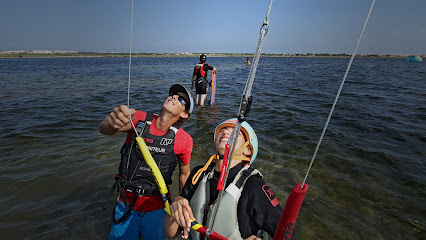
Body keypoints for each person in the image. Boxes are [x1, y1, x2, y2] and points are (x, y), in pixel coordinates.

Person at [100, 84, 194, 240]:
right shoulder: (139, 118)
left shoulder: (184, 140)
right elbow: (105, 130)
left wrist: (184, 206)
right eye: (172, 94)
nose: (173, 97)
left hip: (157, 207)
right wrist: (111, 122)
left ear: (184, 114)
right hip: (125, 203)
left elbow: (184, 174)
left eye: (181, 99)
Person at [163, 119, 284, 240]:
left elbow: (286, 233)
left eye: (235, 132)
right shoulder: (198, 174)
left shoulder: (254, 185)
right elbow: (169, 233)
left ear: (248, 150)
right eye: (223, 130)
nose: (225, 132)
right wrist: (175, 206)